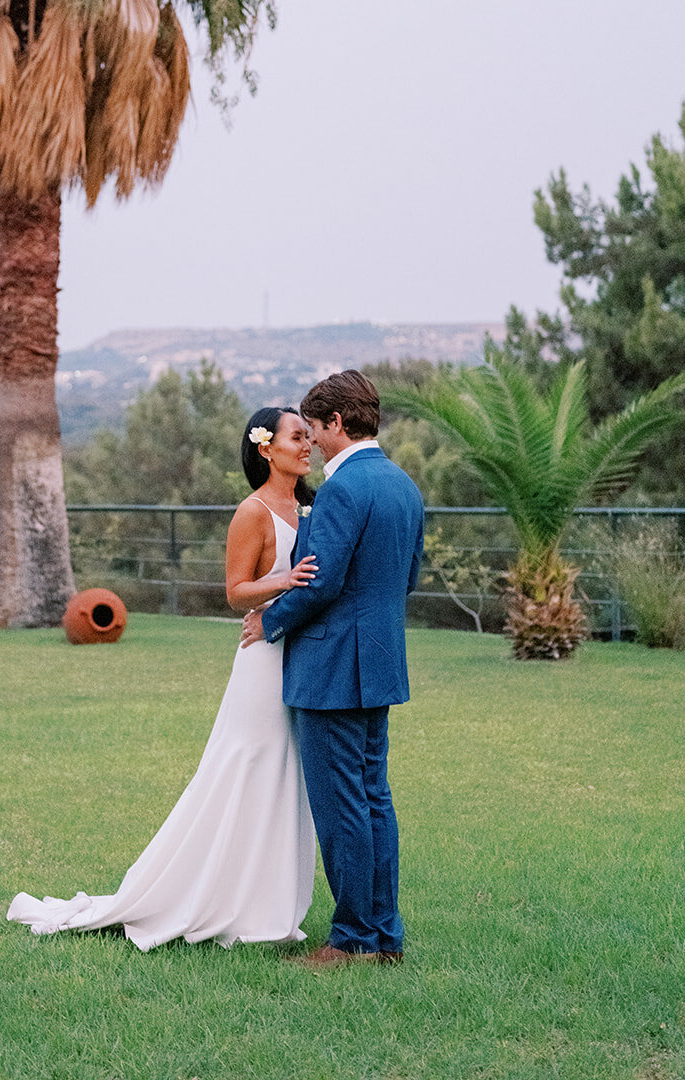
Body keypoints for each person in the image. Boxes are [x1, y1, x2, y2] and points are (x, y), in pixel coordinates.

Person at [7, 406, 319, 950]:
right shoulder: (253, 511)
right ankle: (205, 893)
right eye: (297, 437)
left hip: (303, 652)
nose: (307, 446)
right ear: (266, 448)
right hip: (263, 659)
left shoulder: (312, 506)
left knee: (286, 772)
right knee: (249, 764)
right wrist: (285, 581)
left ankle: (267, 899)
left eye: (309, 438)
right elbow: (234, 591)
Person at [242, 369, 425, 966]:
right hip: (378, 663)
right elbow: (407, 580)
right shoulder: (403, 485)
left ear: (337, 423)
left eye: (315, 429)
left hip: (330, 669)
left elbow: (320, 582)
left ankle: (351, 940)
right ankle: (384, 935)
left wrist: (269, 621)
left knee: (344, 806)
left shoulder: (344, 488)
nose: (313, 442)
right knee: (374, 800)